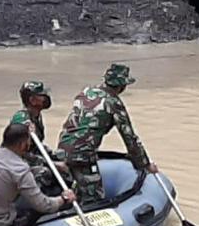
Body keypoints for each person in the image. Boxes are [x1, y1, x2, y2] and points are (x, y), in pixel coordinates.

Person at [56, 63, 158, 209]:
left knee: (78, 185)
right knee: (95, 199)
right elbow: (129, 138)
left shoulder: (86, 92)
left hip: (63, 148)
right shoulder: (113, 102)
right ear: (121, 86)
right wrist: (145, 164)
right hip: (82, 154)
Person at [0, 123, 76, 226]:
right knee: (37, 207)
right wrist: (63, 199)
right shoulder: (20, 170)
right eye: (28, 141)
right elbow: (43, 206)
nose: (29, 144)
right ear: (22, 144)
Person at [9, 81, 70, 193]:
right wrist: (51, 164)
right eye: (42, 96)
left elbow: (36, 145)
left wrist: (52, 155)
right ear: (32, 100)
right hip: (18, 162)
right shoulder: (22, 120)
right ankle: (35, 203)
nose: (46, 98)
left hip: (31, 157)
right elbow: (20, 153)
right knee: (44, 173)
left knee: (64, 157)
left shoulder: (36, 116)